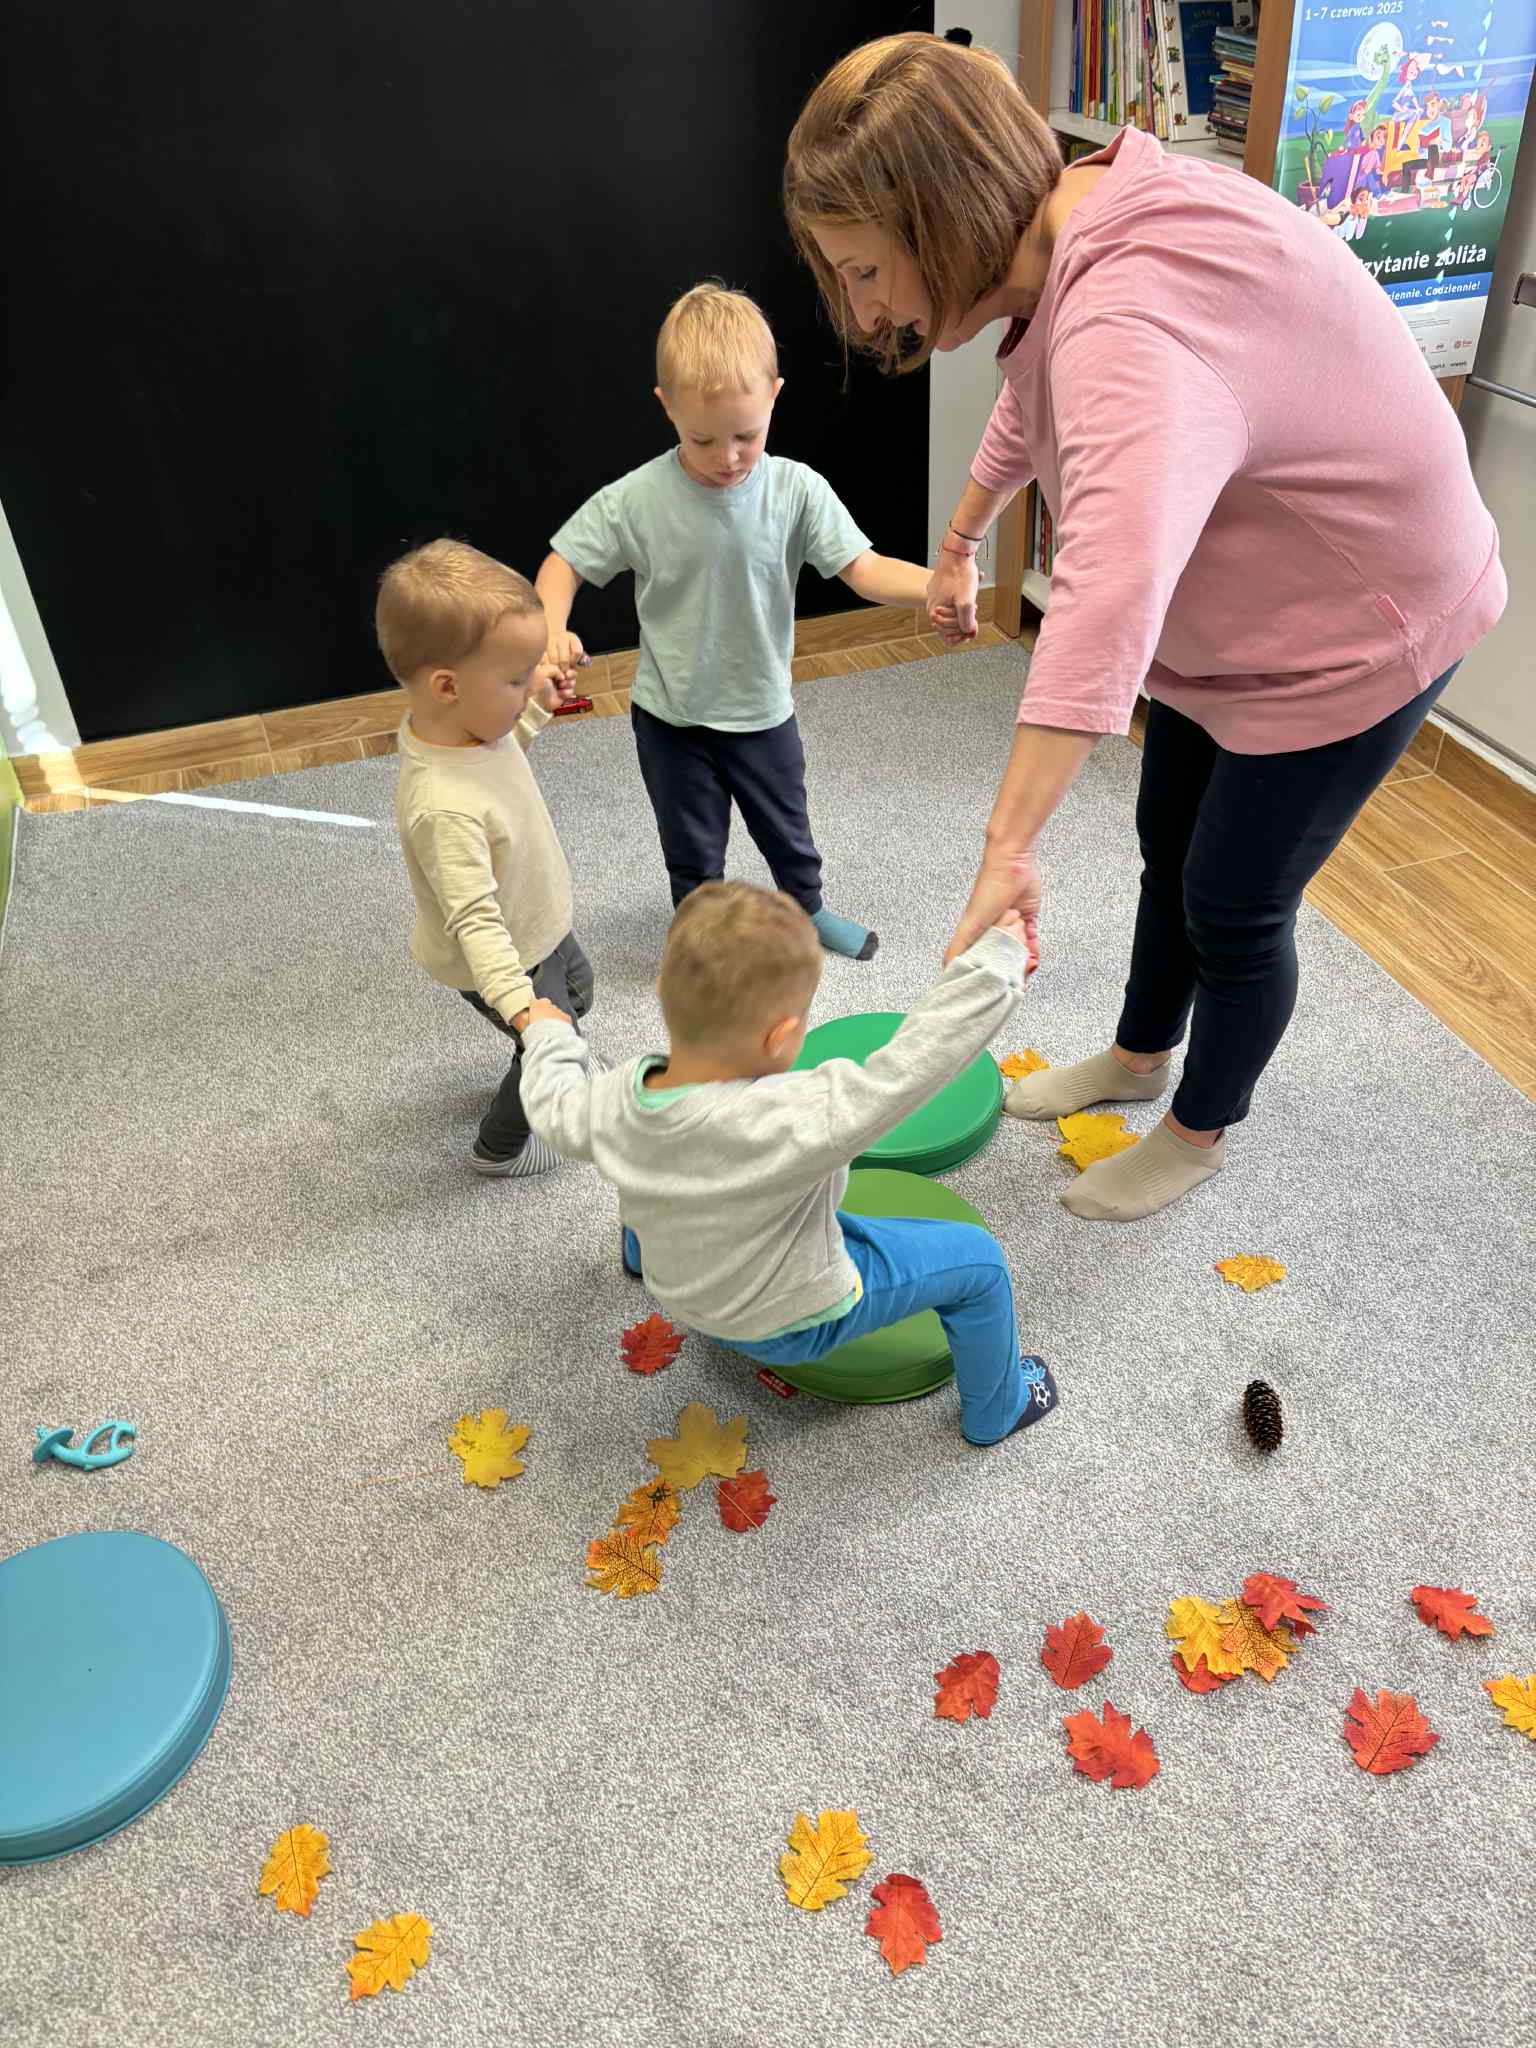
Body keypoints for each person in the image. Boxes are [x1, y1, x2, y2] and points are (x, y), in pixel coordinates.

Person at [783, 33, 1505, 1222]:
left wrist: (1008, 845)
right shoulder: (1067, 225)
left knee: (1232, 898)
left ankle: (1197, 1130)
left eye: (866, 271)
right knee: (1167, 837)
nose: (862, 310)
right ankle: (1137, 1055)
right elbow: (1039, 397)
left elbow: (1106, 593)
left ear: (945, 218)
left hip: (1365, 624)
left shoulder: (1126, 317)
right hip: (1251, 612)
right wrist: (963, 535)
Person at [519, 881, 1058, 1447]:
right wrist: (998, 961)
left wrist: (548, 1032)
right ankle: (998, 1410)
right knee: (981, 1264)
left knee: (643, 1154)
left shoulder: (612, 1097)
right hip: (789, 1321)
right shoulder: (791, 1118)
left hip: (676, 1285)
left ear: (661, 990)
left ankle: (636, 1255)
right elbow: (909, 1067)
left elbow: (551, 1104)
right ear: (781, 1037)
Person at [535, 284, 946, 964]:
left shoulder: (796, 490)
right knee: (691, 846)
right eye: (703, 439)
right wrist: (551, 627)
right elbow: (563, 564)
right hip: (671, 719)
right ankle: (700, 932)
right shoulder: (638, 500)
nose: (727, 456)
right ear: (667, 407)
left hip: (762, 712)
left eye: (746, 436)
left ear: (775, 398)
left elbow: (864, 568)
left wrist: (937, 587)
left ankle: (808, 908)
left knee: (788, 828)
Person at [377, 539, 591, 1178]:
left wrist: (535, 705)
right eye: (515, 678)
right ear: (448, 686)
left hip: (536, 919)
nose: (529, 684)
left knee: (579, 992)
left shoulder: (469, 731)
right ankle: (501, 1147)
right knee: (550, 1042)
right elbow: (474, 922)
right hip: (502, 953)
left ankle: (558, 1038)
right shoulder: (442, 807)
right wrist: (527, 1017)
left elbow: (501, 755)